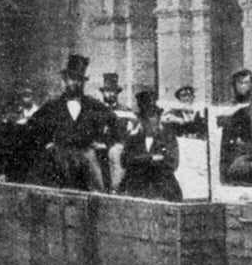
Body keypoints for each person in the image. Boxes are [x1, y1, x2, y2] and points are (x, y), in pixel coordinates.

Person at [27, 54, 114, 191]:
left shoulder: (95, 106)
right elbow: (32, 128)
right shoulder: (52, 106)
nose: (75, 83)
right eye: (72, 79)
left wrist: (103, 143)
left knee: (96, 186)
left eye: (79, 80)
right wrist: (46, 144)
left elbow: (116, 127)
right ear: (65, 80)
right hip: (59, 159)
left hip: (86, 158)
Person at [119, 91, 182, 201]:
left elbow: (172, 163)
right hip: (136, 182)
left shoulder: (168, 138)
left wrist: (140, 160)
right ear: (142, 120)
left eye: (154, 116)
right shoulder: (134, 138)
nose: (151, 122)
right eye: (147, 117)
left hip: (161, 182)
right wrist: (151, 158)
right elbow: (125, 160)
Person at [219, 68, 252, 182]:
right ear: (234, 85)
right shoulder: (229, 106)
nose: (243, 86)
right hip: (233, 152)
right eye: (240, 83)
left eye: (246, 83)